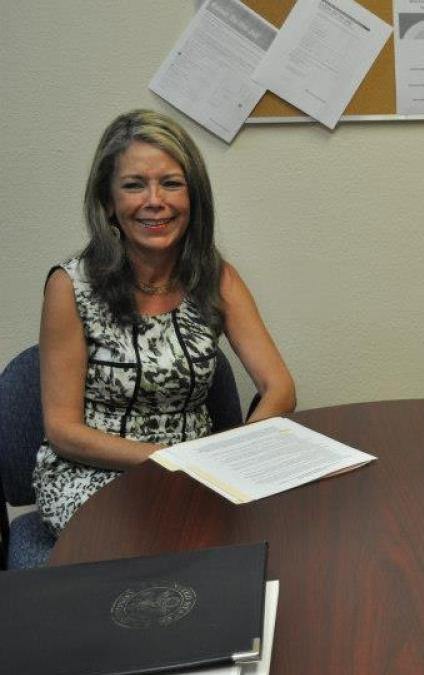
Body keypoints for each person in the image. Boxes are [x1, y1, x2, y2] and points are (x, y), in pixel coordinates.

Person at [35, 110, 296, 535]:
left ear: (193, 197)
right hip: (93, 478)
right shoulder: (71, 286)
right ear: (108, 203)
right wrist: (169, 459)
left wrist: (238, 453)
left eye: (171, 183)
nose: (155, 200)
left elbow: (280, 388)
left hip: (198, 473)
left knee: (266, 541)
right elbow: (63, 431)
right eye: (134, 185)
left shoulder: (216, 276)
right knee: (161, 551)